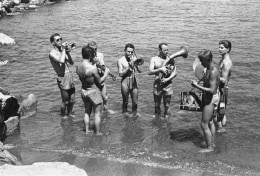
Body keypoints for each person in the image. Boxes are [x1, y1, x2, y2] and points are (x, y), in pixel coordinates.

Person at [191, 50, 220, 153]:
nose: (201, 63)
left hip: (210, 99)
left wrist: (196, 86)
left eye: (202, 61)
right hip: (213, 97)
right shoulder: (211, 66)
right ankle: (211, 142)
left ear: (208, 60)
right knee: (211, 122)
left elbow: (212, 90)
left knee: (204, 124)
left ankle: (210, 148)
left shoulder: (212, 71)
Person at [76, 45, 103, 135]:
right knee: (97, 114)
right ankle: (98, 132)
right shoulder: (92, 68)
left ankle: (87, 130)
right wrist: (106, 73)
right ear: (90, 55)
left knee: (87, 111)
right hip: (93, 92)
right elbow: (100, 83)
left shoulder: (78, 67)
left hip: (84, 91)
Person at [49, 33, 75, 119]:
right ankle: (63, 117)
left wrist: (67, 52)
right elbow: (61, 61)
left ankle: (70, 114)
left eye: (61, 39)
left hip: (69, 76)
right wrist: (64, 50)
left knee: (72, 100)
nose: (60, 41)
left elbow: (71, 63)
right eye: (57, 40)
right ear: (53, 43)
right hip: (62, 77)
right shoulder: (52, 53)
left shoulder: (62, 51)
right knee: (65, 101)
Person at [149, 43, 177, 119]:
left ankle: (166, 120)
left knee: (167, 105)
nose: (167, 52)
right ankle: (157, 120)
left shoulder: (171, 59)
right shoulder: (154, 59)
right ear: (160, 50)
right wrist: (159, 69)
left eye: (167, 50)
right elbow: (150, 72)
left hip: (168, 84)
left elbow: (175, 73)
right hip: (157, 84)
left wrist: (167, 79)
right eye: (165, 50)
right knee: (157, 104)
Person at [117, 43, 142, 116]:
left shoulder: (134, 59)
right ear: (124, 50)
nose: (130, 53)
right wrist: (128, 67)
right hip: (125, 82)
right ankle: (125, 115)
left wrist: (136, 62)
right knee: (125, 101)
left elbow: (140, 71)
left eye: (131, 52)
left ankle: (134, 115)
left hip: (134, 81)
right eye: (128, 51)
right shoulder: (120, 60)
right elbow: (120, 74)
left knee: (135, 102)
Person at [215, 40, 232, 133]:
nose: (219, 49)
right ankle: (223, 128)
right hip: (220, 88)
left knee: (217, 111)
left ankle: (220, 129)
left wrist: (211, 76)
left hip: (222, 89)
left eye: (222, 48)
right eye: (219, 47)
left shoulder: (226, 62)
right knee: (222, 110)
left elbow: (224, 80)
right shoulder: (222, 59)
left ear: (228, 49)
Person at [87, 41, 110, 111]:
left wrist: (98, 63)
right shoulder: (86, 57)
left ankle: (106, 112)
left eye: (95, 49)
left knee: (105, 98)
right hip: (92, 81)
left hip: (101, 79)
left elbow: (103, 68)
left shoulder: (100, 55)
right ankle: (95, 114)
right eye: (92, 49)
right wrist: (92, 63)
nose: (94, 51)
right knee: (94, 101)